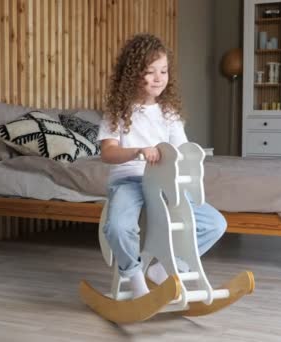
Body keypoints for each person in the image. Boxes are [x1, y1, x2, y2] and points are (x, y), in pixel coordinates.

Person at [97, 33, 227, 299]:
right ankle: (136, 280)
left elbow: (180, 151)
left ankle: (166, 270)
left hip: (165, 184)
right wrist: (138, 152)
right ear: (134, 74)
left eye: (164, 71)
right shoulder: (118, 112)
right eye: (150, 71)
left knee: (214, 223)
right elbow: (108, 152)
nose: (159, 78)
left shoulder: (169, 113)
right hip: (130, 180)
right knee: (118, 227)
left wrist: (190, 158)